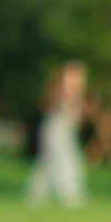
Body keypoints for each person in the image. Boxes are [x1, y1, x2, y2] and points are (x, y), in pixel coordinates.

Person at [25, 60, 87, 208]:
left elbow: (78, 118)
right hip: (55, 128)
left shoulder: (76, 91)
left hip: (65, 129)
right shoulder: (60, 90)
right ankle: (71, 196)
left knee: (48, 164)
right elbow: (49, 107)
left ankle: (36, 197)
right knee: (66, 161)